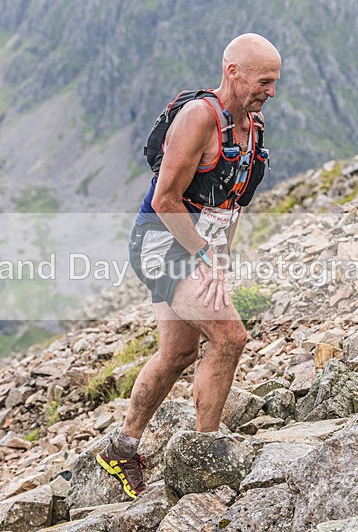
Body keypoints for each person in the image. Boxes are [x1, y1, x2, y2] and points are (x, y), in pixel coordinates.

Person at [96, 33, 281, 499]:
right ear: (232, 71)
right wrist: (203, 256)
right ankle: (206, 458)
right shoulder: (199, 118)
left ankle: (122, 446)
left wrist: (219, 259)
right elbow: (164, 199)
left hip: (197, 245)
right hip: (161, 242)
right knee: (229, 336)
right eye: (264, 81)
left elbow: (233, 205)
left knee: (178, 354)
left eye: (276, 83)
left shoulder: (253, 130)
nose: (271, 92)